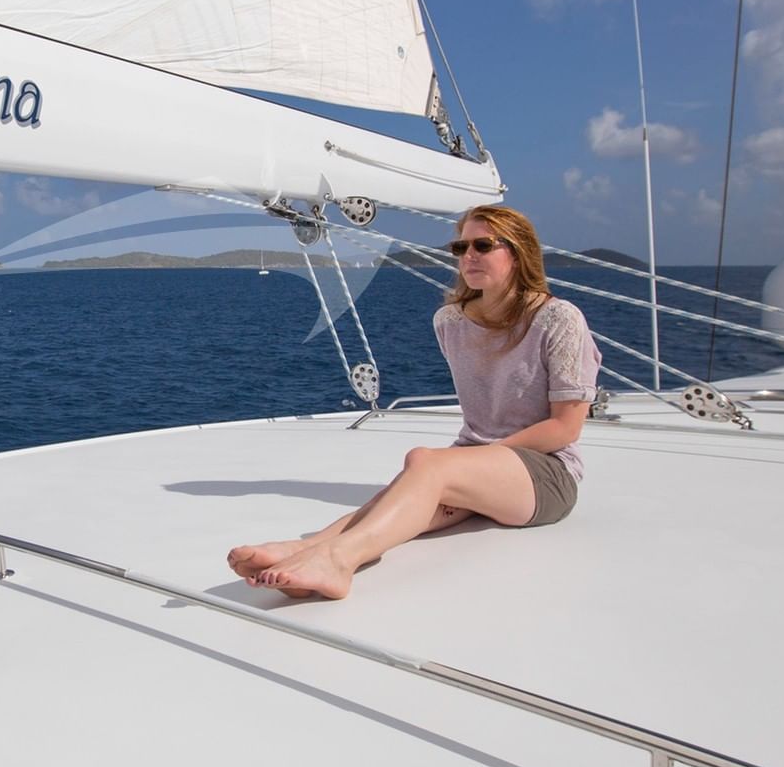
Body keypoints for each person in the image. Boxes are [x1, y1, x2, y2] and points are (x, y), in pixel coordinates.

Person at [226, 205, 599, 600]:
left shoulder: (557, 319)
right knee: (403, 499)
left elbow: (565, 428)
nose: (468, 255)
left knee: (425, 463)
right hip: (475, 465)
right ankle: (307, 547)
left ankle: (338, 562)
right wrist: (470, 462)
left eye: (483, 245)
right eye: (461, 247)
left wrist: (475, 459)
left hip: (546, 475)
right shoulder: (450, 322)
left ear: (519, 252)